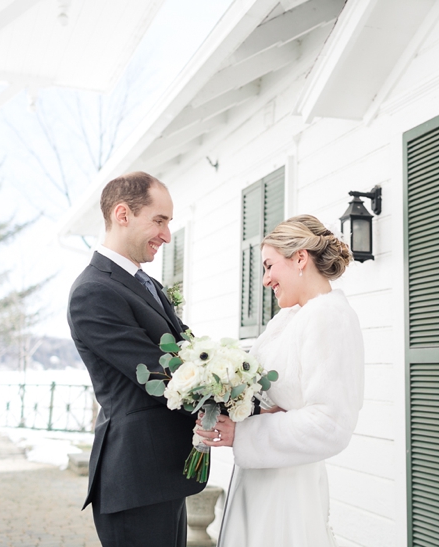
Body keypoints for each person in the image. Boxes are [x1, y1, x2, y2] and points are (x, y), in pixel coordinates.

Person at [198, 214, 365, 547]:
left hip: (289, 489)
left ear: (300, 258)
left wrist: (244, 433)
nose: (265, 280)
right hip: (260, 477)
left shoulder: (329, 317)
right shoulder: (289, 318)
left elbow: (330, 423)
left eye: (269, 266)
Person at [67, 172, 203, 547]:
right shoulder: (94, 291)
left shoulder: (145, 283)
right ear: (122, 214)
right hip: (135, 476)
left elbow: (188, 353)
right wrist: (243, 402)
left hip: (161, 473)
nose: (166, 235)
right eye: (159, 221)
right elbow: (160, 373)